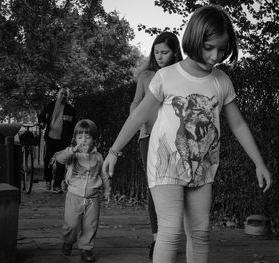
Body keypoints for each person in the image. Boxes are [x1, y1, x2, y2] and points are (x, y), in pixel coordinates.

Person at [103, 5, 272, 263]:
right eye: (209, 47)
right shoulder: (166, 76)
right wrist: (114, 151)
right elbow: (139, 115)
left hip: (203, 168)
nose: (216, 56)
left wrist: (258, 162)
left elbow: (237, 124)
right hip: (166, 166)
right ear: (194, 39)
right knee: (170, 233)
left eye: (223, 49)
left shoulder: (221, 81)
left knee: (201, 233)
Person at [130, 31, 183, 259]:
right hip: (148, 137)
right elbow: (135, 103)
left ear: (174, 53)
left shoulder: (180, 75)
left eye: (165, 52)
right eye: (156, 51)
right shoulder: (145, 76)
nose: (159, 56)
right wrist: (138, 117)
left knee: (176, 186)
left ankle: (171, 236)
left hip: (173, 138)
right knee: (154, 188)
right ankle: (156, 239)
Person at [56, 119, 111, 263]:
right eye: (80, 137)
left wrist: (107, 191)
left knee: (90, 225)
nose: (84, 140)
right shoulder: (72, 155)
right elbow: (60, 159)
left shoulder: (98, 157)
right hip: (74, 196)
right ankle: (68, 241)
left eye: (88, 137)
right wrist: (72, 150)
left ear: (93, 139)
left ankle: (86, 249)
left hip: (93, 198)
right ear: (75, 139)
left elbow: (103, 175)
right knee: (72, 224)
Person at [38, 86, 77, 193]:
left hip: (64, 140)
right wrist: (41, 123)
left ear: (68, 97)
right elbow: (41, 117)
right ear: (57, 94)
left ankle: (57, 185)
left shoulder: (71, 110)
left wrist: (73, 138)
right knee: (48, 161)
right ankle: (48, 180)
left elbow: (74, 125)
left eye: (66, 95)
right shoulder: (49, 106)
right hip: (50, 138)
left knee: (61, 163)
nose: (63, 96)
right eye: (62, 94)